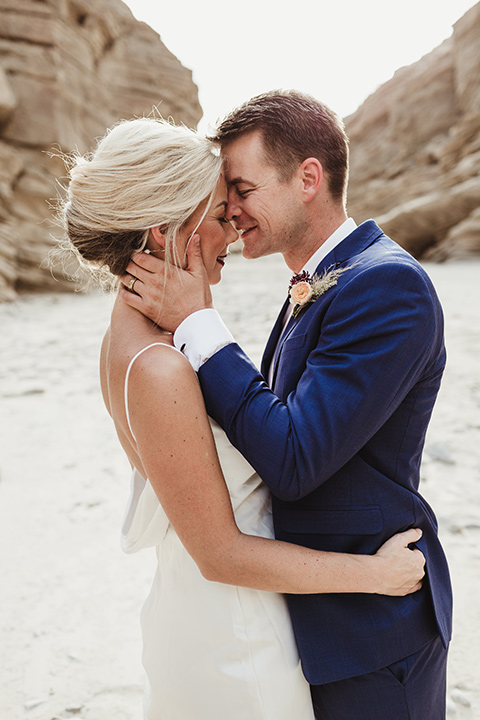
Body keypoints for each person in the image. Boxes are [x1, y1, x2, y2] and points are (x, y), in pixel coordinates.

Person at [61, 117, 426, 720]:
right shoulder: (159, 367)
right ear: (169, 229)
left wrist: (195, 316)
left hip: (201, 616)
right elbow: (222, 553)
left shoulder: (128, 340)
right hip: (236, 634)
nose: (231, 226)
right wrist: (374, 575)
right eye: (217, 211)